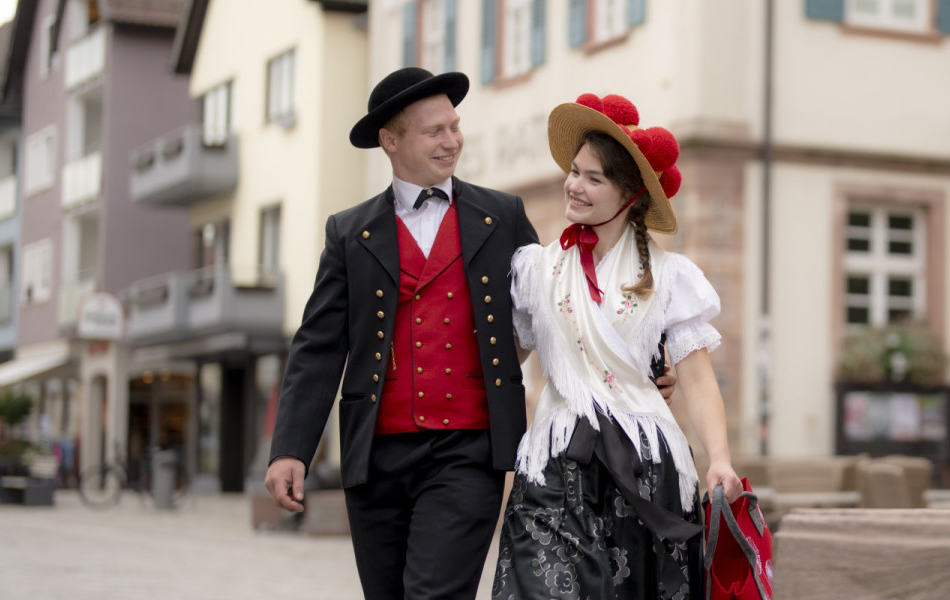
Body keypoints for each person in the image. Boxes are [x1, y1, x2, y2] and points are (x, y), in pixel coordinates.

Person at [261, 68, 540, 599]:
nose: (452, 141)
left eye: (454, 127)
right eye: (435, 131)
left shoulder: (502, 216)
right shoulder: (348, 232)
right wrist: (290, 449)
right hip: (376, 455)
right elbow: (319, 347)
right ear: (390, 141)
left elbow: (556, 308)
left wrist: (645, 369)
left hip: (468, 450)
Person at [493, 93, 742, 599]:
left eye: (594, 178)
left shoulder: (671, 277)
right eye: (574, 171)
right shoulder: (537, 269)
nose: (574, 185)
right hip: (555, 460)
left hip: (644, 465)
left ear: (629, 196)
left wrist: (719, 458)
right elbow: (507, 361)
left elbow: (696, 378)